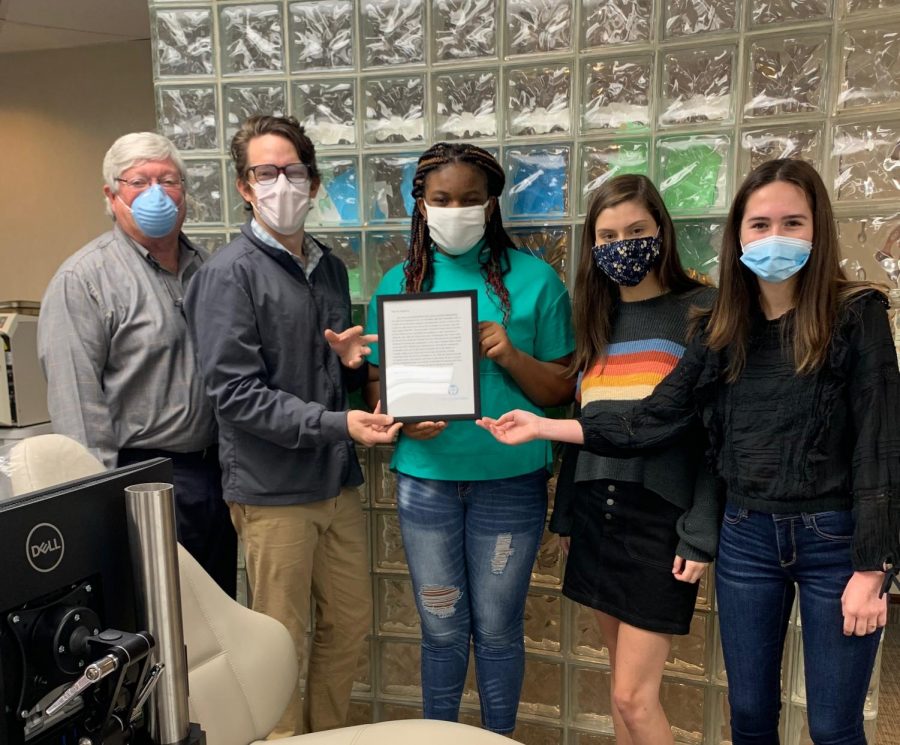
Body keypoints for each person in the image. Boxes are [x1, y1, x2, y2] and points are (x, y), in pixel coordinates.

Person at [478, 159, 900, 744]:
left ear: (818, 228)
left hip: (831, 536)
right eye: (759, 224)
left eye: (792, 222)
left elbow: (881, 443)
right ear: (738, 234)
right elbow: (650, 420)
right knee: (748, 715)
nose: (774, 236)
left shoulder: (854, 312)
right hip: (746, 534)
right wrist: (545, 428)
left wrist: (873, 565)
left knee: (831, 724)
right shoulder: (723, 323)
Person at [183, 115, 400, 737]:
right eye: (265, 172)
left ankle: (325, 736)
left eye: (294, 170)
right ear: (245, 187)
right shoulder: (227, 275)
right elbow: (236, 396)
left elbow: (321, 370)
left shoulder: (329, 269)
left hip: (336, 482)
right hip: (273, 491)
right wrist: (340, 422)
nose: (282, 183)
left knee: (350, 624)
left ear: (314, 180)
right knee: (281, 642)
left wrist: (354, 369)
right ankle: (282, 740)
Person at [364, 142, 575, 735]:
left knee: (500, 629)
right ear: (421, 205)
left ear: (491, 205)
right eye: (441, 199)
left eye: (470, 199)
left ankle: (498, 739)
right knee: (440, 630)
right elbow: (378, 382)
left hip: (510, 483)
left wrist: (509, 354)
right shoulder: (396, 281)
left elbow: (562, 388)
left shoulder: (537, 281)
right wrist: (402, 418)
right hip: (426, 482)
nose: (455, 209)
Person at [549, 174, 718, 744]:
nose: (623, 244)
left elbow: (715, 439)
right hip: (596, 515)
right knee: (621, 693)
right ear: (593, 246)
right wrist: (566, 514)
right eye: (608, 235)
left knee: (634, 697)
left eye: (637, 230)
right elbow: (584, 428)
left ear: (661, 232)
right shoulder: (592, 318)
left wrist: (700, 532)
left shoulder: (703, 309)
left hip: (659, 520)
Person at [38, 132, 237, 597]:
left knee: (218, 619)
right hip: (139, 480)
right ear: (111, 195)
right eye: (139, 181)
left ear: (185, 193)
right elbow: (78, 410)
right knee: (159, 623)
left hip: (214, 476)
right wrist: (99, 507)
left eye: (168, 180)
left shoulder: (208, 269)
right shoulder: (83, 280)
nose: (157, 193)